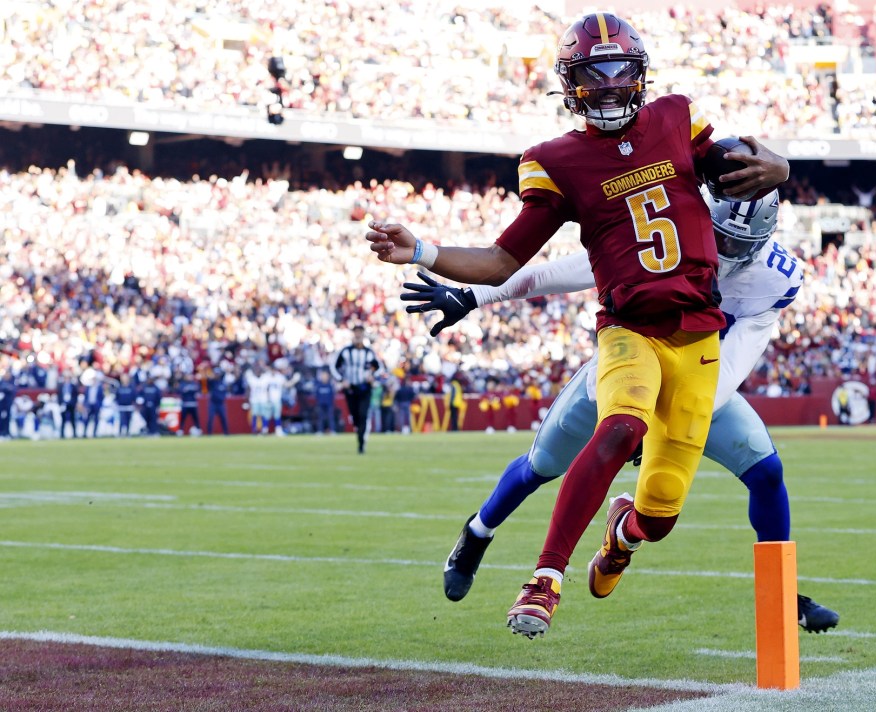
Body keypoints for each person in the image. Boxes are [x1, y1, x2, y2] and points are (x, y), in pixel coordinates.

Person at [367, 11, 789, 638]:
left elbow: (749, 164)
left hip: (700, 337)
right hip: (629, 331)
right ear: (572, 82)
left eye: (622, 70)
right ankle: (543, 577)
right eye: (596, 73)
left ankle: (623, 534)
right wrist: (425, 250)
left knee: (663, 509)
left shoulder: (676, 118)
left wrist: (779, 167)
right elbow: (508, 260)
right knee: (614, 429)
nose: (612, 84)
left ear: (641, 74)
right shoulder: (557, 160)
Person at [407, 189, 838, 634]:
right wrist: (475, 296)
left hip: (701, 381)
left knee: (761, 474)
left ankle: (778, 590)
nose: (727, 252)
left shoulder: (773, 276)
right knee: (542, 465)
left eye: (740, 244)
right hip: (625, 370)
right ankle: (478, 533)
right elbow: (564, 272)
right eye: (720, 237)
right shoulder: (665, 237)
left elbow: (730, 369)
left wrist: (661, 421)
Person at [331, 325, 380, 454]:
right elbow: (334, 367)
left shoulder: (369, 352)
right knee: (355, 415)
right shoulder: (346, 351)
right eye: (356, 333)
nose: (358, 335)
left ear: (363, 335)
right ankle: (360, 433)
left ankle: (361, 443)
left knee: (363, 414)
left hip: (364, 388)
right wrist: (342, 380)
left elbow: (379, 368)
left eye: (360, 333)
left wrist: (372, 375)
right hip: (350, 388)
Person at [245, 361, 272, 435]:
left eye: (259, 370)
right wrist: (247, 400)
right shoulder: (252, 378)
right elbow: (248, 390)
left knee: (264, 414)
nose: (258, 371)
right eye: (257, 370)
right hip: (254, 399)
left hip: (263, 399)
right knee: (254, 415)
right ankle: (254, 430)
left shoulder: (265, 378)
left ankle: (265, 429)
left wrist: (269, 399)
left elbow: (268, 389)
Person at [207, 368, 231, 435]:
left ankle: (226, 433)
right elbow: (208, 381)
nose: (216, 375)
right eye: (215, 374)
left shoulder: (223, 382)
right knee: (210, 418)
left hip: (221, 403)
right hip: (213, 403)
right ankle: (209, 433)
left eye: (217, 374)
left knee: (224, 418)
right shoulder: (212, 382)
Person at [313, 368, 337, 434]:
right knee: (320, 418)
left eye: (325, 376)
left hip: (329, 404)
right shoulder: (319, 385)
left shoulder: (330, 385)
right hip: (320, 404)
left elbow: (333, 395)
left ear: (328, 376)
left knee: (330, 418)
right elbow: (316, 395)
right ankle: (320, 431)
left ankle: (332, 430)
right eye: (323, 376)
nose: (324, 377)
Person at [0, 369, 15, 439]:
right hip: (2, 405)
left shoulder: (12, 381)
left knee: (7, 419)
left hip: (8, 405)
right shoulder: (2, 382)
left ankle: (6, 432)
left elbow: (13, 390)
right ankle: (2, 432)